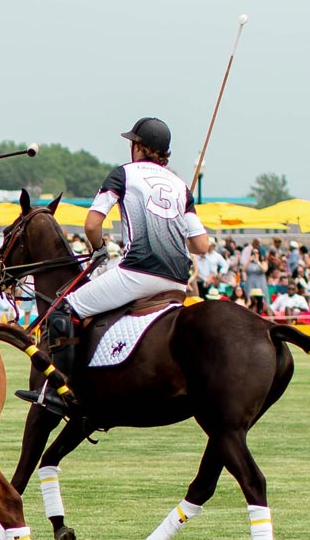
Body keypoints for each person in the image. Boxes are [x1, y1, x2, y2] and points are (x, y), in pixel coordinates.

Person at [19, 117, 208, 416]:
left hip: (138, 273)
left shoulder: (123, 174)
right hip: (176, 284)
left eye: (133, 142)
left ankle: (56, 392)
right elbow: (201, 246)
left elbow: (92, 224)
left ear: (140, 147)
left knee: (63, 309)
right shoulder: (181, 187)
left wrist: (98, 250)